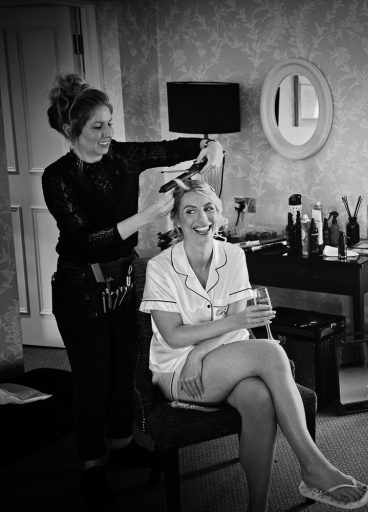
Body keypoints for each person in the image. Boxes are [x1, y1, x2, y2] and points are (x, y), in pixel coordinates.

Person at [42, 73, 224, 507]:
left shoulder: (122, 156)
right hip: (79, 287)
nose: (108, 135)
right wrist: (146, 217)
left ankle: (121, 447)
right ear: (72, 131)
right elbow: (85, 241)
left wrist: (209, 146)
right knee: (93, 380)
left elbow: (173, 147)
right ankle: (91, 467)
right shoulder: (58, 177)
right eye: (97, 127)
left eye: (110, 123)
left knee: (126, 370)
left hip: (122, 281)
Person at [140, 178, 368, 512]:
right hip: (179, 371)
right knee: (271, 350)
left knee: (259, 400)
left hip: (218, 361)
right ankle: (312, 465)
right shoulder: (161, 267)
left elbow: (238, 324)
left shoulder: (233, 255)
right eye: (189, 211)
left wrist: (203, 349)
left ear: (219, 215)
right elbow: (175, 336)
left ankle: (257, 507)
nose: (201, 218)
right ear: (176, 220)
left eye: (208, 208)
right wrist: (228, 329)